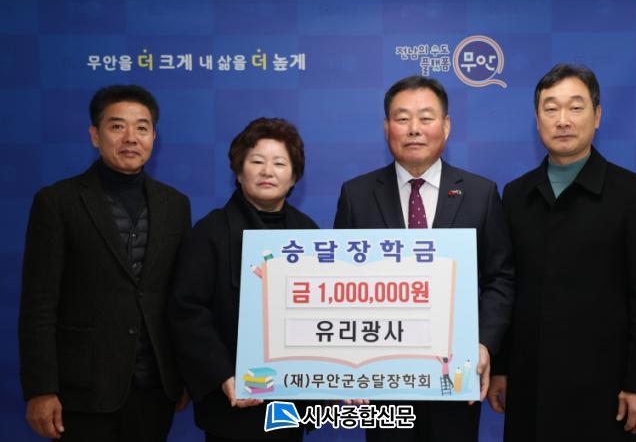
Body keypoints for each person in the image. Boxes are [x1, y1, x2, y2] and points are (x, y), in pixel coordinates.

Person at [488, 64, 636, 441]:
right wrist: (501, 367)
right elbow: (507, 286)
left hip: (605, 390)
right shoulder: (516, 195)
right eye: (551, 108)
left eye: (575, 107)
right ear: (537, 119)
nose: (563, 120)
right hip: (529, 384)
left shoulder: (633, 194)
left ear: (597, 115)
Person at [334, 75, 514, 442]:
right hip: (382, 377)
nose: (414, 129)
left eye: (426, 118)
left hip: (456, 372)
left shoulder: (480, 194)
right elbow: (340, 284)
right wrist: (347, 362)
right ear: (387, 127)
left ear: (446, 126)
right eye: (402, 118)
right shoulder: (357, 195)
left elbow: (500, 278)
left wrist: (483, 344)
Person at [19, 85, 191, 441]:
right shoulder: (57, 202)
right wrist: (40, 388)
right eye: (117, 126)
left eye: (142, 127)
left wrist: (186, 373)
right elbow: (38, 304)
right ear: (95, 135)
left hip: (155, 387)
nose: (131, 137)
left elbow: (180, 299)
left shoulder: (175, 205)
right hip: (82, 391)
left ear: (154, 137)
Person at [168, 117, 318, 442]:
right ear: (238, 172)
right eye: (257, 161)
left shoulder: (309, 233)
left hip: (289, 403)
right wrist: (223, 375)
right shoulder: (210, 231)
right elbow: (188, 313)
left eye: (280, 163)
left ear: (294, 176)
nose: (268, 171)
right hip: (230, 402)